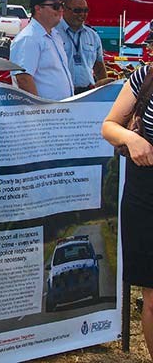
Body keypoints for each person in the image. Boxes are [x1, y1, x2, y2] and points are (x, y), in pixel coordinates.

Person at [102, 62, 153, 359]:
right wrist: (131, 139)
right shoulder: (144, 76)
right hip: (145, 194)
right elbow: (109, 126)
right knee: (152, 297)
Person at [9, 0, 74, 100]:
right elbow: (23, 78)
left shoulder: (55, 35)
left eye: (62, 5)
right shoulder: (29, 38)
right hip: (44, 113)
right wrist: (39, 111)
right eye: (56, 6)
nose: (60, 10)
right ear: (38, 9)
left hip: (60, 111)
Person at [56, 0, 109, 94]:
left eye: (85, 10)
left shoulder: (93, 35)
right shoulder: (53, 33)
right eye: (77, 11)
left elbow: (99, 68)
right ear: (64, 9)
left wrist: (105, 92)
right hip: (62, 94)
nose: (82, 14)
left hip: (87, 93)